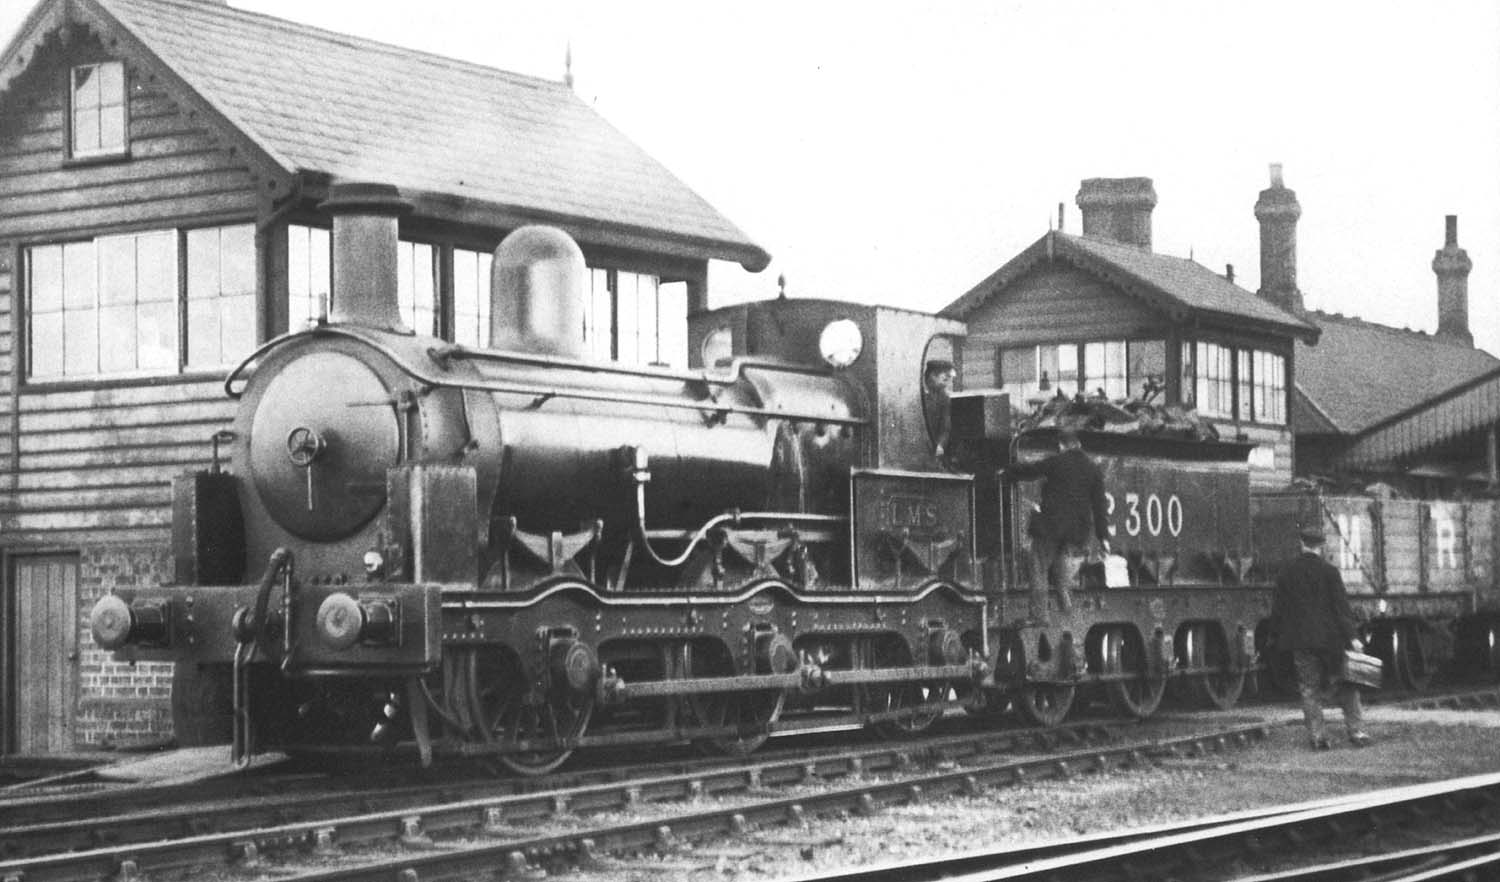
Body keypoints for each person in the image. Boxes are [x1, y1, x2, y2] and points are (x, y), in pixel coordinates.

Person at [1269, 524, 1372, 750]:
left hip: (1301, 642)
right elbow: (1341, 609)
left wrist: (1275, 637)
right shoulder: (1330, 572)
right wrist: (1353, 638)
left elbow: (1278, 610)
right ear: (1322, 546)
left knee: (1309, 689)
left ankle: (1318, 737)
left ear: (1301, 543)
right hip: (1331, 641)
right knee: (1346, 684)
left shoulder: (1286, 572)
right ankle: (1357, 731)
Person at [1004, 427, 1110, 625]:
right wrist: (1103, 537)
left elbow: (1031, 470)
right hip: (1076, 533)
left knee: (1038, 566)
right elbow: (1100, 505)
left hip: (1050, 528)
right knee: (1061, 572)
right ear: (1078, 445)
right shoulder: (1092, 469)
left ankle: (1039, 616)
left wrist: (1008, 472)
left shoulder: (1057, 461)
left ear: (1062, 446)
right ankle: (1067, 612)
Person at [923, 359, 956, 459]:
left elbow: (945, 426)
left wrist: (941, 445)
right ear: (932, 376)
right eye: (945, 378)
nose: (947, 384)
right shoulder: (916, 392)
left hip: (932, 449)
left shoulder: (944, 397)